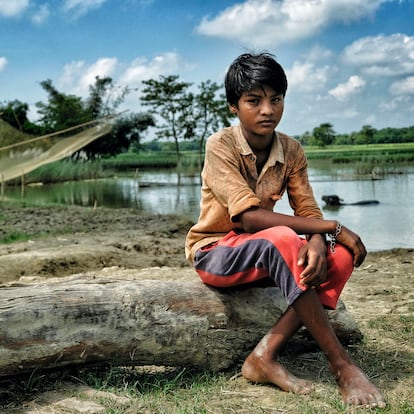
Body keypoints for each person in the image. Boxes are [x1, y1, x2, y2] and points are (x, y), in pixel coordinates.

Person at [185, 53, 386, 408]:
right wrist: (331, 227)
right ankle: (342, 366)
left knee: (338, 256)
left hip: (263, 252)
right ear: (234, 106)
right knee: (281, 238)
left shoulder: (291, 150)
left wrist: (320, 240)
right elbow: (248, 218)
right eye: (254, 101)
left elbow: (306, 209)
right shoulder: (221, 145)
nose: (267, 110)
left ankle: (263, 357)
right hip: (216, 252)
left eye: (276, 99)